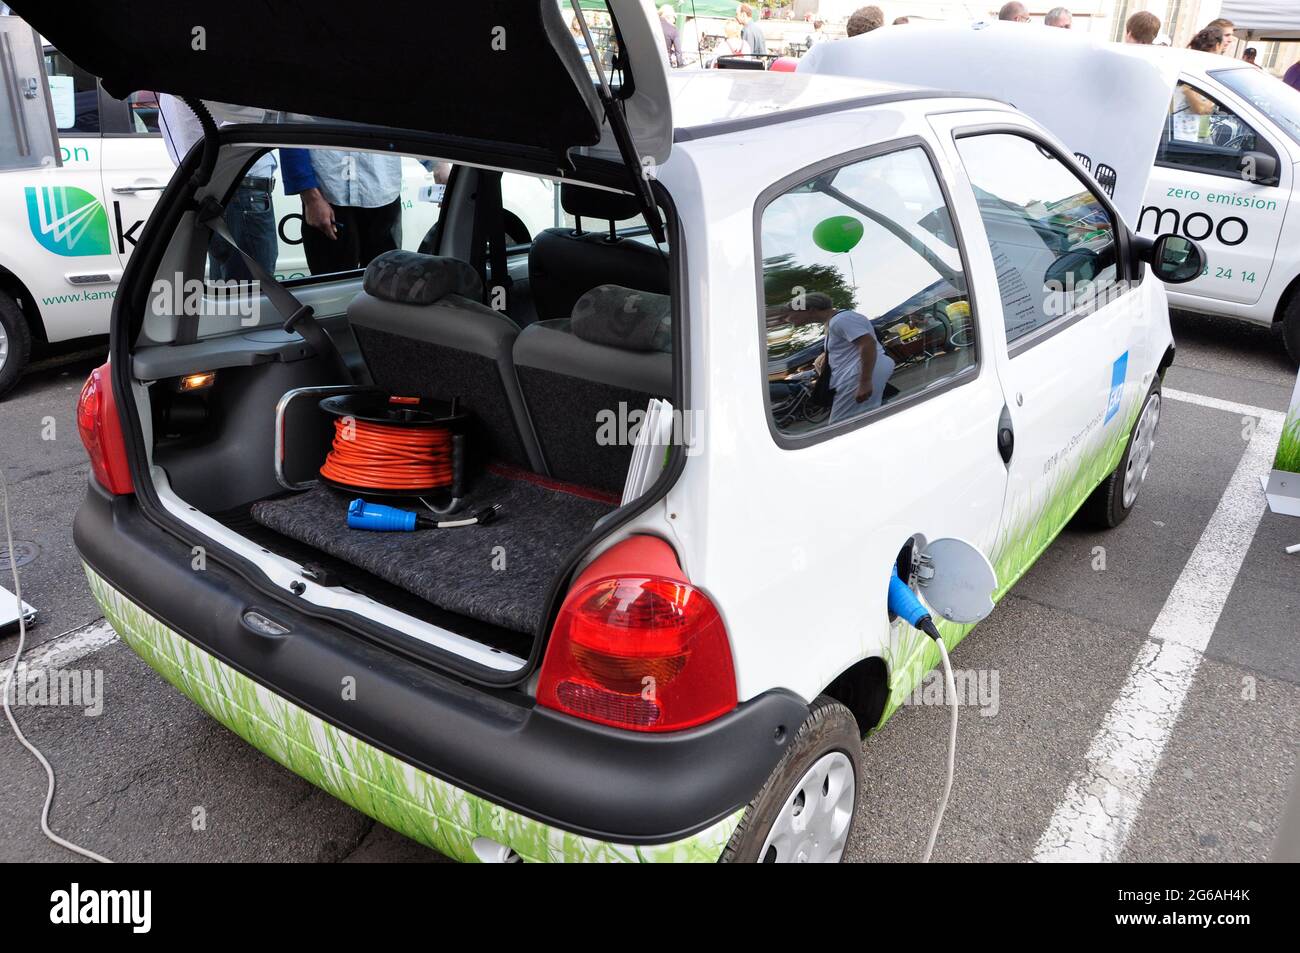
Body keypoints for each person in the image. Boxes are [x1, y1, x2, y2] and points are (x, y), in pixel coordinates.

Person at [157, 94, 278, 281]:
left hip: (217, 185)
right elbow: (255, 115)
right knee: (251, 292)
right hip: (240, 184)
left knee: (229, 291)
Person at [280, 148, 403, 276]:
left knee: (385, 284)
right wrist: (311, 198)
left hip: (383, 196)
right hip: (327, 198)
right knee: (330, 288)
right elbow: (295, 138)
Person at [786, 292, 895, 422]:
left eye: (792, 313)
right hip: (854, 376)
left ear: (811, 310)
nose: (789, 318)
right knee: (865, 419)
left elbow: (867, 344)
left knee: (840, 426)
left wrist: (864, 382)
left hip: (856, 377)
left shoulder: (841, 320)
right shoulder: (835, 321)